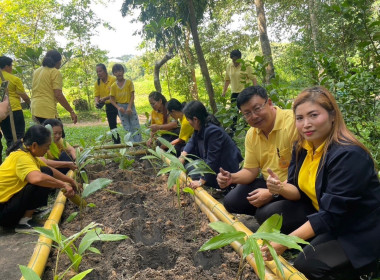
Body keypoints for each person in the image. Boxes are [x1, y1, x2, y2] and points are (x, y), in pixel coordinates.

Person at [261, 86, 380, 280]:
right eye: (300, 118)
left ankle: (365, 269)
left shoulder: (348, 155)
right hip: (326, 216)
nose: (306, 124)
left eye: (313, 115)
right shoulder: (302, 147)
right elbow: (296, 188)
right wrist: (280, 187)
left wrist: (285, 242)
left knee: (307, 265)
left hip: (358, 227)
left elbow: (332, 213)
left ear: (332, 116)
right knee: (268, 214)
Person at [217, 85, 299, 233]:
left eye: (257, 108)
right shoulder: (251, 134)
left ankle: (281, 220)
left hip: (294, 187)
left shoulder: (292, 123)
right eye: (247, 113)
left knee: (264, 214)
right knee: (231, 201)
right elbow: (250, 171)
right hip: (270, 183)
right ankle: (275, 217)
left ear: (269, 103)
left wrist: (272, 193)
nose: (253, 116)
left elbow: (302, 172)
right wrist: (232, 177)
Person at [0, 125, 76, 232]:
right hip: (3, 213)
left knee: (45, 171)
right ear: (35, 145)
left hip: (5, 207)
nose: (48, 150)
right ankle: (23, 223)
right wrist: (63, 185)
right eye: (47, 146)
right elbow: (37, 179)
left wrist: (70, 180)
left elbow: (50, 170)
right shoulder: (22, 157)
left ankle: (24, 215)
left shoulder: (26, 153)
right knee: (42, 176)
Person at [181, 101, 243, 190]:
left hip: (226, 170)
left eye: (188, 120)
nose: (188, 122)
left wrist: (200, 181)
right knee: (188, 164)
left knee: (193, 171)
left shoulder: (213, 131)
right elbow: (192, 141)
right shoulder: (200, 126)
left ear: (195, 119)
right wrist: (182, 156)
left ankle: (220, 188)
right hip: (216, 166)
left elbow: (212, 159)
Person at [31, 50, 77, 125]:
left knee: (44, 135)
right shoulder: (54, 72)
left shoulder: (36, 71)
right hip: (47, 110)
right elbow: (58, 95)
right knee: (58, 134)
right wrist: (71, 111)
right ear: (58, 62)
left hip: (35, 109)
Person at [222, 49, 257, 137]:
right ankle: (233, 130)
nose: (234, 62)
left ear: (240, 58)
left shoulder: (246, 66)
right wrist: (224, 91)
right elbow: (227, 80)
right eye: (232, 60)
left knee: (245, 111)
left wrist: (255, 90)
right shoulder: (229, 66)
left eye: (236, 60)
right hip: (234, 93)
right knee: (234, 112)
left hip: (244, 92)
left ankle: (247, 129)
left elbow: (253, 78)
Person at [0, 56, 31, 148]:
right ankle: (18, 157)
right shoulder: (14, 79)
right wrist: (30, 103)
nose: (12, 68)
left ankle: (10, 155)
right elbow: (23, 95)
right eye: (11, 66)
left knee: (9, 138)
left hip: (2, 113)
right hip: (14, 110)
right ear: (6, 66)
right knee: (19, 137)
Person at [109, 64, 142, 142]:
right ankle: (131, 144)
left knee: (135, 124)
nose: (118, 73)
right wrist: (118, 107)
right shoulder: (113, 86)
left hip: (130, 105)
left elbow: (132, 96)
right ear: (114, 73)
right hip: (121, 107)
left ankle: (138, 143)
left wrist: (129, 107)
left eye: (120, 71)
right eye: (116, 72)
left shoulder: (129, 83)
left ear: (123, 71)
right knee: (126, 126)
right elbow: (111, 99)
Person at [94, 64, 120, 144]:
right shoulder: (97, 83)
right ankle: (117, 143)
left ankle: (133, 141)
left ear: (105, 71)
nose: (99, 73)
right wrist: (97, 102)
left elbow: (115, 93)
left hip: (118, 103)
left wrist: (105, 98)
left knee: (126, 122)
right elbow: (96, 96)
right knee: (112, 126)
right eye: (97, 72)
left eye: (100, 71)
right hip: (109, 105)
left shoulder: (113, 79)